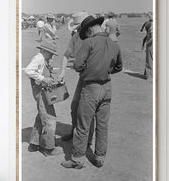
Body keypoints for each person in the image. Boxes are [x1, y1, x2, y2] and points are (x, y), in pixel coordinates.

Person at [61, 15, 123, 169]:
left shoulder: (89, 42)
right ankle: (100, 157)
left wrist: (90, 70)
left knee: (83, 125)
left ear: (89, 29)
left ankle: (77, 159)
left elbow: (78, 65)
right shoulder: (114, 44)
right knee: (102, 125)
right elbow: (119, 67)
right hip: (107, 88)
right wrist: (104, 70)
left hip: (91, 88)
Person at [58, 11, 94, 143]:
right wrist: (62, 71)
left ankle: (87, 139)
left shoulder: (94, 38)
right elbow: (66, 55)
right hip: (82, 77)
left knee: (88, 111)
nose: (77, 30)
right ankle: (75, 132)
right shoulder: (75, 37)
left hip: (92, 78)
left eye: (79, 27)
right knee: (75, 107)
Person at [24, 39, 63, 157]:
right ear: (45, 51)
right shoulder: (39, 58)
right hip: (40, 91)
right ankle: (49, 148)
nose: (51, 55)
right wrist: (42, 78)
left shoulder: (43, 59)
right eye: (51, 53)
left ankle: (34, 143)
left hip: (40, 90)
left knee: (42, 115)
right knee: (50, 118)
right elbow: (28, 70)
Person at [144, 13, 154, 80]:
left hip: (151, 44)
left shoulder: (152, 25)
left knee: (149, 59)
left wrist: (148, 42)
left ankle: (149, 75)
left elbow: (152, 36)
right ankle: (147, 74)